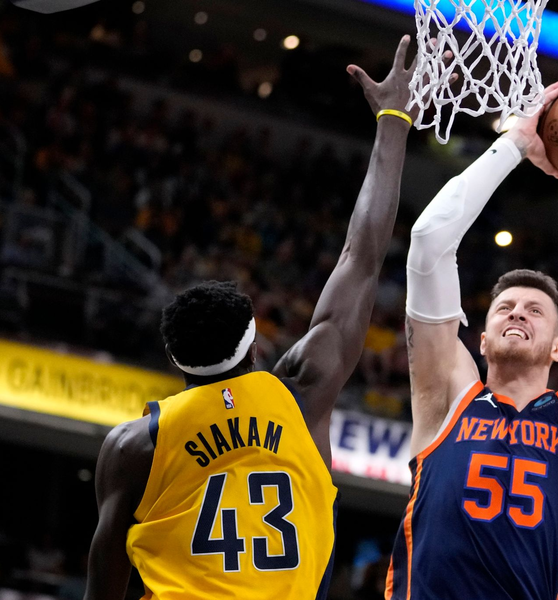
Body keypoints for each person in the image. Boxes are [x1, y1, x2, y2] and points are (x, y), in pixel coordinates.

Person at [84, 36, 425, 600]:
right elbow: (360, 258)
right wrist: (392, 119)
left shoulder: (133, 445)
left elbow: (105, 576)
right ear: (254, 346)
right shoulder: (300, 394)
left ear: (176, 360)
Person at [385, 82, 558, 599]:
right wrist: (511, 144)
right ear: (481, 341)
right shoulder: (447, 393)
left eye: (536, 311)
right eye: (504, 308)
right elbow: (427, 244)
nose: (517, 313)